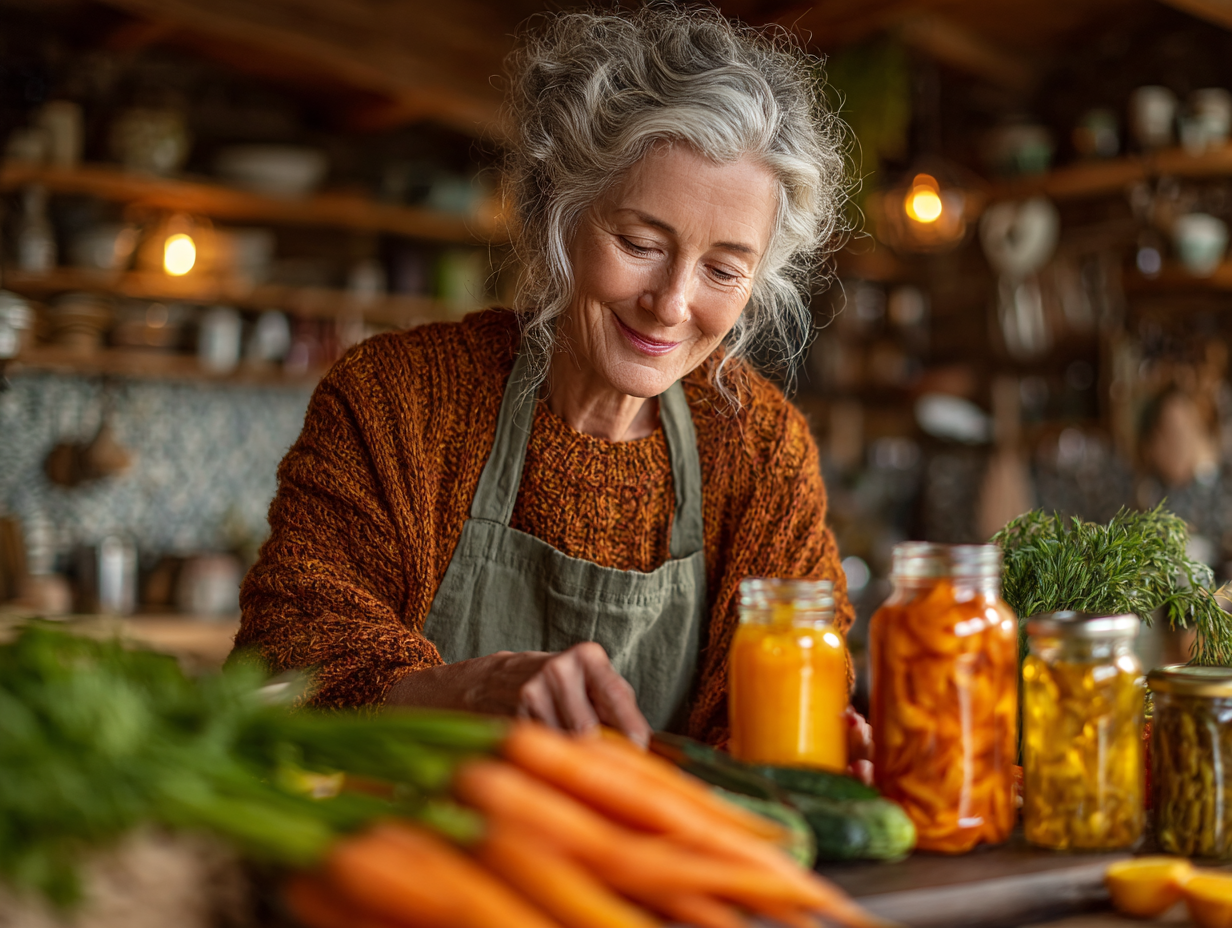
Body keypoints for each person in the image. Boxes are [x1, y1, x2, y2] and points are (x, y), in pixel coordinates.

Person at [235, 5, 863, 757]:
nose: (670, 304)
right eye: (639, 243)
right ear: (559, 216)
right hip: (413, 855)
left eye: (724, 270)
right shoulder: (398, 400)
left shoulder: (760, 450)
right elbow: (282, 657)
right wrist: (460, 693)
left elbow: (780, 701)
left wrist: (813, 747)